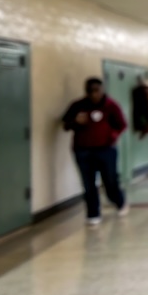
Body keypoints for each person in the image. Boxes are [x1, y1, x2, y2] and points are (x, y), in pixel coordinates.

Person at [61, 77, 128, 226]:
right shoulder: (78, 105)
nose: (93, 94)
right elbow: (65, 125)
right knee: (88, 184)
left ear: (102, 90)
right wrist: (75, 122)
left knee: (110, 182)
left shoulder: (111, 106)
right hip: (83, 151)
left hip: (106, 150)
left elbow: (122, 125)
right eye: (90, 91)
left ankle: (119, 200)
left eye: (96, 91)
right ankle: (93, 213)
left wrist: (113, 136)